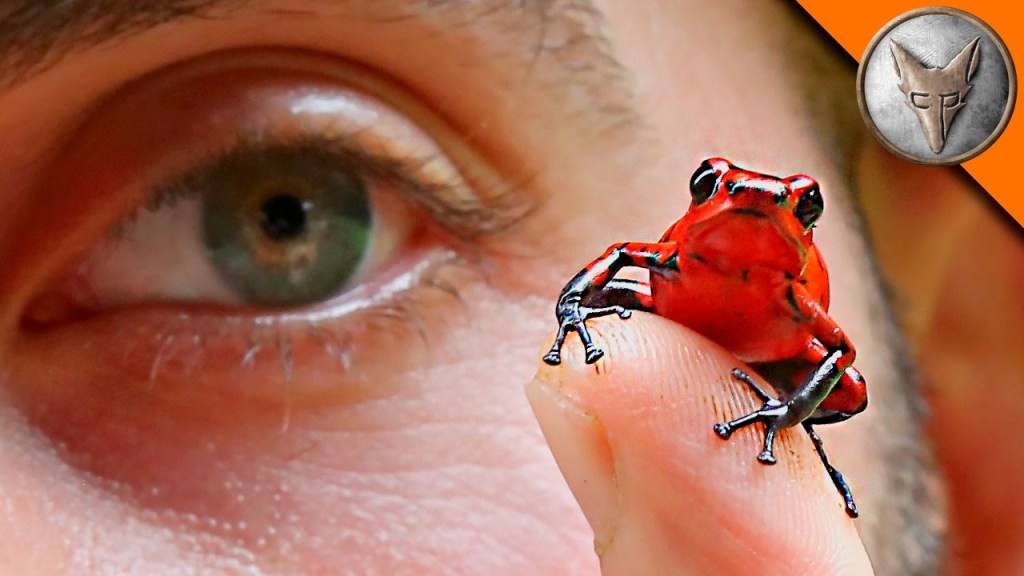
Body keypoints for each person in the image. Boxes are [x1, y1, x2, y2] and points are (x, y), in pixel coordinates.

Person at [0, 1, 1019, 574]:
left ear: (970, 362)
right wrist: (578, 315)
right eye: (280, 223)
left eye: (285, 209)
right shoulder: (658, 263)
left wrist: (782, 415)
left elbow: (833, 363)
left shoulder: (803, 315)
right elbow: (617, 271)